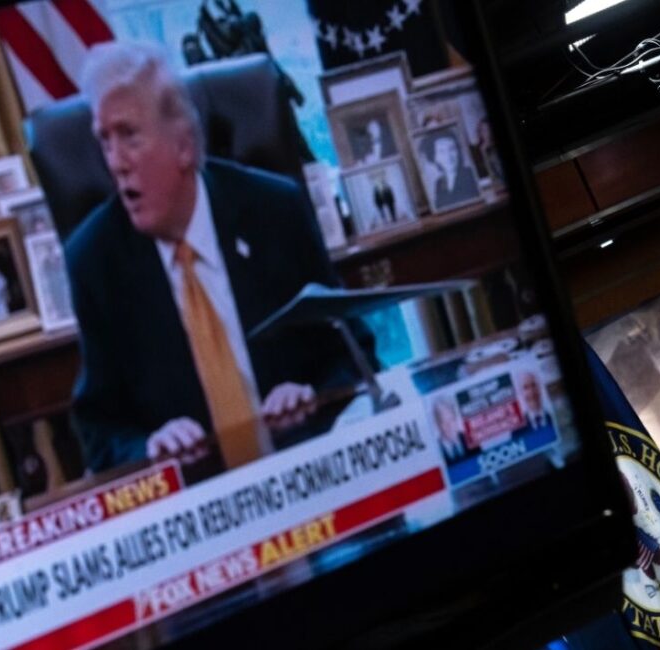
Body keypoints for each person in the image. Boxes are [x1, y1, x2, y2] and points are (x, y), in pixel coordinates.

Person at [65, 41, 370, 481]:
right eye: (104, 140)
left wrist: (312, 395)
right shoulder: (95, 261)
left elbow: (354, 351)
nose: (115, 163)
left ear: (184, 145)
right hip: (200, 512)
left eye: (129, 136)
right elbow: (98, 427)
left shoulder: (274, 211)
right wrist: (148, 446)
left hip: (310, 477)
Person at [425, 133, 478, 210]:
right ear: (435, 157)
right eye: (441, 151)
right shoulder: (439, 183)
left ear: (458, 152)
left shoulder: (470, 174)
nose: (448, 156)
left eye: (452, 149)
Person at [432, 396, 467, 461]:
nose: (450, 426)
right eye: (444, 422)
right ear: (438, 424)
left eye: (452, 420)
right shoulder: (434, 449)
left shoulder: (468, 438)